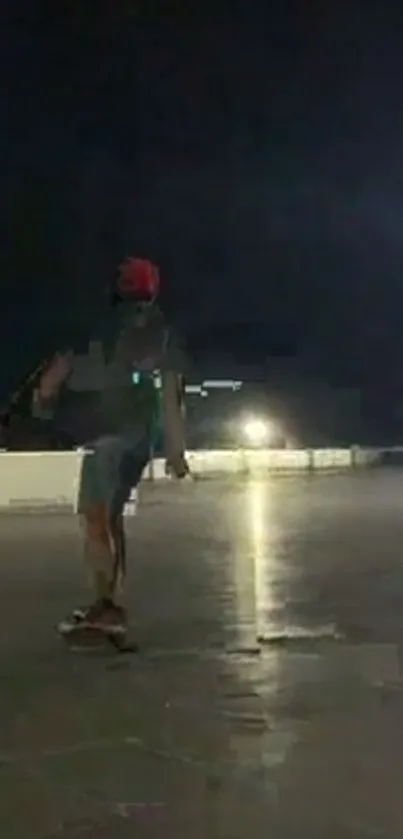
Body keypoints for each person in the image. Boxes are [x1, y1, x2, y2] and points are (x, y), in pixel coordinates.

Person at [32, 257, 188, 637]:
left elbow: (58, 371)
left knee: (96, 518)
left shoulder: (100, 327)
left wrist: (43, 399)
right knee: (112, 518)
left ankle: (106, 608)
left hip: (108, 443)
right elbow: (171, 396)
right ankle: (111, 601)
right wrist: (174, 450)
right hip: (139, 442)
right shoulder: (162, 332)